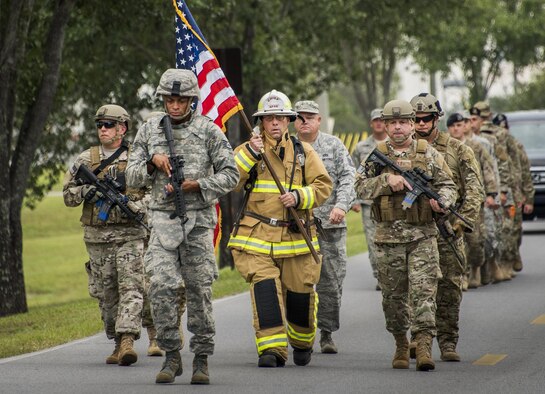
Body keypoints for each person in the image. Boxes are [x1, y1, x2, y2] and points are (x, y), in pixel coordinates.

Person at [125, 68, 239, 385]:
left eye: (181, 100)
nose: (174, 106)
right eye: (169, 100)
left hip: (199, 221)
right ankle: (172, 355)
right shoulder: (149, 130)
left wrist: (197, 185)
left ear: (191, 100)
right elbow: (131, 176)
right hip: (161, 221)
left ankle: (201, 359)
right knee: (160, 287)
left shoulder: (209, 131)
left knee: (199, 291)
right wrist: (153, 161)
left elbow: (231, 174)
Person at [228, 90, 332, 368]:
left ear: (289, 121)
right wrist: (250, 153)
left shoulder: (303, 152)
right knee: (265, 291)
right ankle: (272, 349)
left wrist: (299, 197)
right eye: (269, 118)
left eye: (281, 118)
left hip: (296, 240)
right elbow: (230, 181)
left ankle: (301, 341)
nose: (275, 123)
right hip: (256, 239)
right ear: (260, 122)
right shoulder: (247, 150)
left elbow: (323, 186)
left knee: (300, 298)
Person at [355, 99, 457, 371]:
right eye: (393, 123)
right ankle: (401, 343)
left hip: (423, 237)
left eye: (403, 122)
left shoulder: (429, 154)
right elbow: (359, 188)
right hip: (388, 240)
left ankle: (424, 346)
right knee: (393, 298)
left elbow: (448, 185)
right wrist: (385, 181)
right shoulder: (376, 155)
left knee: (424, 293)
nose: (398, 127)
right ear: (386, 126)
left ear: (412, 124)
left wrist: (442, 202)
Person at [63, 104, 147, 366]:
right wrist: (84, 192)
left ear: (122, 128)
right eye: (99, 124)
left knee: (131, 287)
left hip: (130, 235)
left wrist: (137, 207)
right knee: (106, 294)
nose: (102, 129)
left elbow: (155, 194)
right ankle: (115, 338)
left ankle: (127, 341)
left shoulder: (138, 159)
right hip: (97, 239)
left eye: (108, 124)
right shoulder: (85, 160)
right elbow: (67, 195)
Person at [410, 94, 483, 362]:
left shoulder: (458, 150)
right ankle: (418, 339)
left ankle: (448, 341)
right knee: (417, 288)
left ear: (436, 119)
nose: (419, 124)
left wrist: (460, 223)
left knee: (450, 288)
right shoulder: (402, 151)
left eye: (425, 119)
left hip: (447, 230)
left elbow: (475, 190)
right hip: (415, 230)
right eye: (414, 119)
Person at [294, 100, 355, 354]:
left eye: (310, 117)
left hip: (330, 225)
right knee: (297, 282)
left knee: (331, 282)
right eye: (300, 117)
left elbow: (349, 176)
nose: (304, 121)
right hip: (297, 226)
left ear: (319, 120)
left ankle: (327, 333)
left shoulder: (333, 145)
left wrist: (341, 206)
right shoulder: (287, 146)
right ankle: (298, 332)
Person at [447, 113, 497, 288]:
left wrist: (491, 193)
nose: (456, 128)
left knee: (475, 240)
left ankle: (477, 267)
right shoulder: (444, 148)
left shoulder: (475, 147)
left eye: (459, 125)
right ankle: (464, 275)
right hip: (452, 202)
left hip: (473, 199)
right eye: (453, 126)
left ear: (465, 126)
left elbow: (488, 169)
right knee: (455, 239)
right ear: (448, 128)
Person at [492, 113, 535, 273]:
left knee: (515, 226)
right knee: (501, 227)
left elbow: (524, 171)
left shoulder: (516, 145)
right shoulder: (491, 143)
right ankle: (503, 261)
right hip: (498, 190)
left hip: (515, 190)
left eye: (504, 128)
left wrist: (528, 196)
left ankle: (514, 254)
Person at [351, 108, 387, 290]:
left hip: (390, 201)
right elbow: (354, 174)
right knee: (372, 240)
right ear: (371, 123)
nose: (379, 123)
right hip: (368, 202)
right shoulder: (361, 147)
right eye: (376, 120)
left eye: (382, 120)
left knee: (390, 238)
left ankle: (391, 273)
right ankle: (379, 275)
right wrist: (354, 200)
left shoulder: (394, 145)